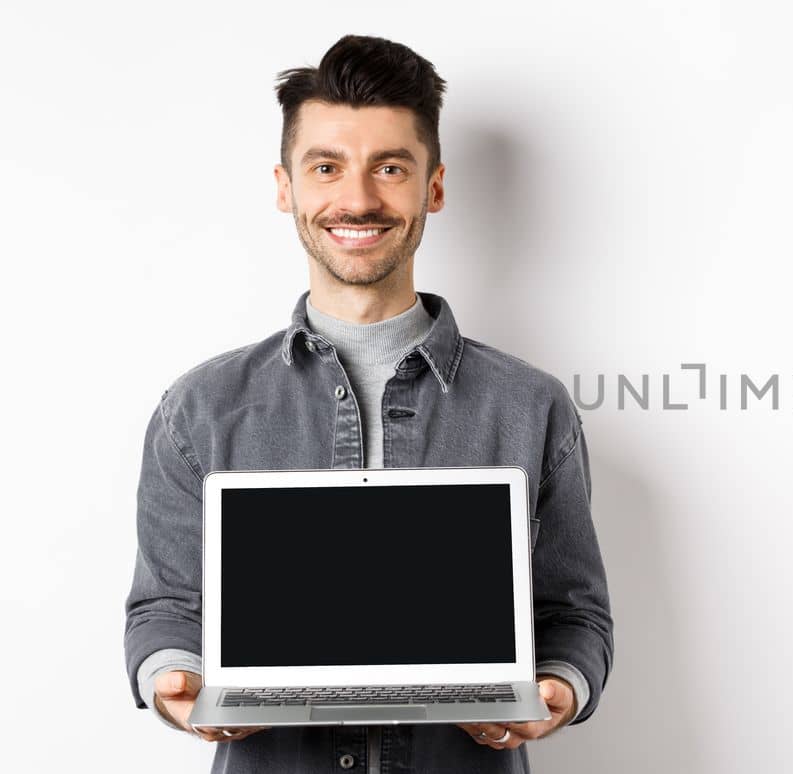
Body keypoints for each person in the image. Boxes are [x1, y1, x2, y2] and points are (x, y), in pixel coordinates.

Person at [122, 35, 614, 773]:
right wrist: (172, 680)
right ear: (287, 186)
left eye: (390, 168)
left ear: (434, 188)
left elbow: (575, 615)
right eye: (326, 167)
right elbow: (162, 607)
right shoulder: (199, 406)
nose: (357, 199)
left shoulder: (530, 405)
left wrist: (558, 687)